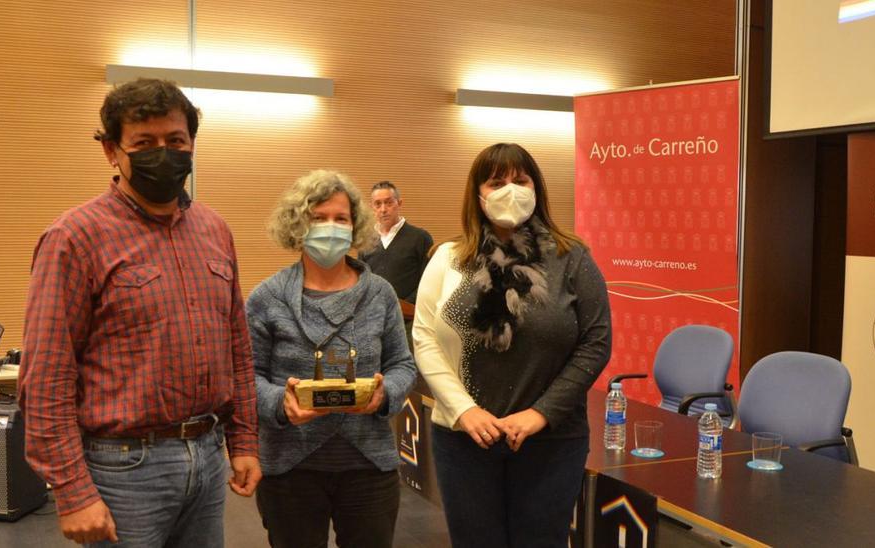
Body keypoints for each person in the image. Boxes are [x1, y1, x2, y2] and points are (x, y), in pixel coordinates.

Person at [20, 77, 260, 547]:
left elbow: (237, 346)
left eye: (175, 141)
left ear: (192, 145)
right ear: (112, 151)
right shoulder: (74, 237)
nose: (163, 154)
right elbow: (47, 374)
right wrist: (70, 490)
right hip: (123, 468)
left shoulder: (214, 230)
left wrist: (245, 441)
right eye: (144, 143)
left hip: (207, 457)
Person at [412, 143, 612, 547]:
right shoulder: (449, 257)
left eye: (520, 181)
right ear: (478, 193)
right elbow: (424, 337)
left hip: (551, 440)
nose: (510, 190)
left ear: (536, 188)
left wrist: (541, 413)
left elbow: (596, 341)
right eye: (496, 182)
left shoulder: (571, 257)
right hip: (464, 437)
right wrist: (464, 410)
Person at [248, 170, 418, 547]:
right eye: (318, 217)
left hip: (369, 468)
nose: (330, 227)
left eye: (340, 218)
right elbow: (247, 376)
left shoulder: (381, 294)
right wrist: (281, 403)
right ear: (297, 225)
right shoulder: (267, 297)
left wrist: (384, 394)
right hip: (290, 468)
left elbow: (403, 365)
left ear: (355, 226)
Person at [358, 181, 434, 325]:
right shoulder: (366, 241)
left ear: (399, 203)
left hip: (410, 320)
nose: (383, 209)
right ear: (372, 207)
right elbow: (363, 281)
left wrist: (403, 306)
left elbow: (428, 281)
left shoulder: (420, 237)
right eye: (378, 204)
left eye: (388, 203)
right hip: (375, 320)